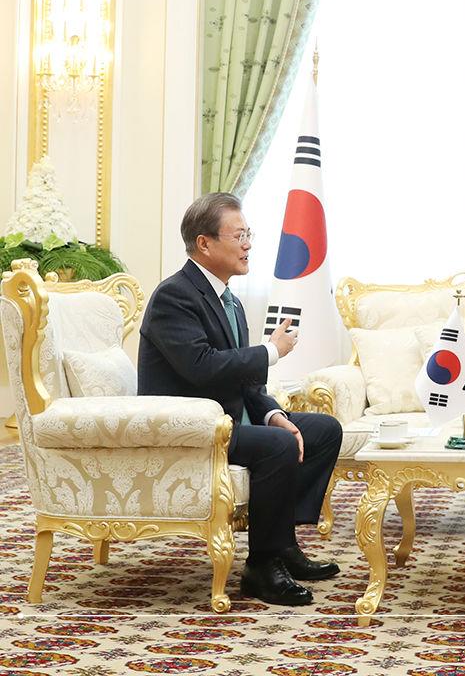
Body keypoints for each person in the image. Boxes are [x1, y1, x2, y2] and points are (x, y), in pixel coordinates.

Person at [139, 192, 343, 606]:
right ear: (205, 243)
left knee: (322, 431)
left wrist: (273, 414)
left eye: (249, 234)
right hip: (188, 429)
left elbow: (245, 381)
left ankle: (281, 544)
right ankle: (262, 567)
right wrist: (271, 351)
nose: (249, 244)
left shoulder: (228, 298)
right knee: (279, 447)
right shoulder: (174, 296)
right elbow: (203, 367)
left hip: (226, 421)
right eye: (240, 235)